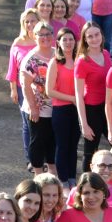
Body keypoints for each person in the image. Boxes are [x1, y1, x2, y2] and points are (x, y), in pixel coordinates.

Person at [75, 21, 112, 171]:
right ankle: (86, 182)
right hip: (92, 110)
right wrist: (84, 124)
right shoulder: (82, 61)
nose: (94, 38)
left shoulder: (106, 54)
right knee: (90, 150)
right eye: (90, 36)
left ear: (102, 35)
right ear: (85, 39)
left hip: (108, 107)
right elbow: (79, 95)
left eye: (97, 34)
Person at [21, 21, 56, 176]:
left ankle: (53, 171)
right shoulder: (31, 59)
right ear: (34, 36)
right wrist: (33, 108)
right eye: (41, 35)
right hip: (38, 107)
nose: (45, 37)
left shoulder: (58, 54)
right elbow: (26, 86)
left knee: (52, 140)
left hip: (56, 106)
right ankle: (38, 174)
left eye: (48, 34)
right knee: (38, 141)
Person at [46, 26, 80, 186]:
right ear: (58, 42)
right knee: (62, 145)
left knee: (74, 145)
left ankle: (72, 177)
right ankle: (63, 180)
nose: (68, 42)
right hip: (61, 110)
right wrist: (72, 98)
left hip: (77, 109)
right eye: (64, 39)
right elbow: (49, 91)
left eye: (71, 39)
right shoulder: (55, 62)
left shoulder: (79, 61)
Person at [7, 8, 38, 168]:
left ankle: (42, 156)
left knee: (41, 123)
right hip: (21, 88)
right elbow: (12, 68)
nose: (30, 24)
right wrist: (13, 89)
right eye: (27, 21)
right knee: (27, 123)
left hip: (40, 88)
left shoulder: (43, 39)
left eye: (33, 20)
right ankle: (31, 158)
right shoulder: (18, 42)